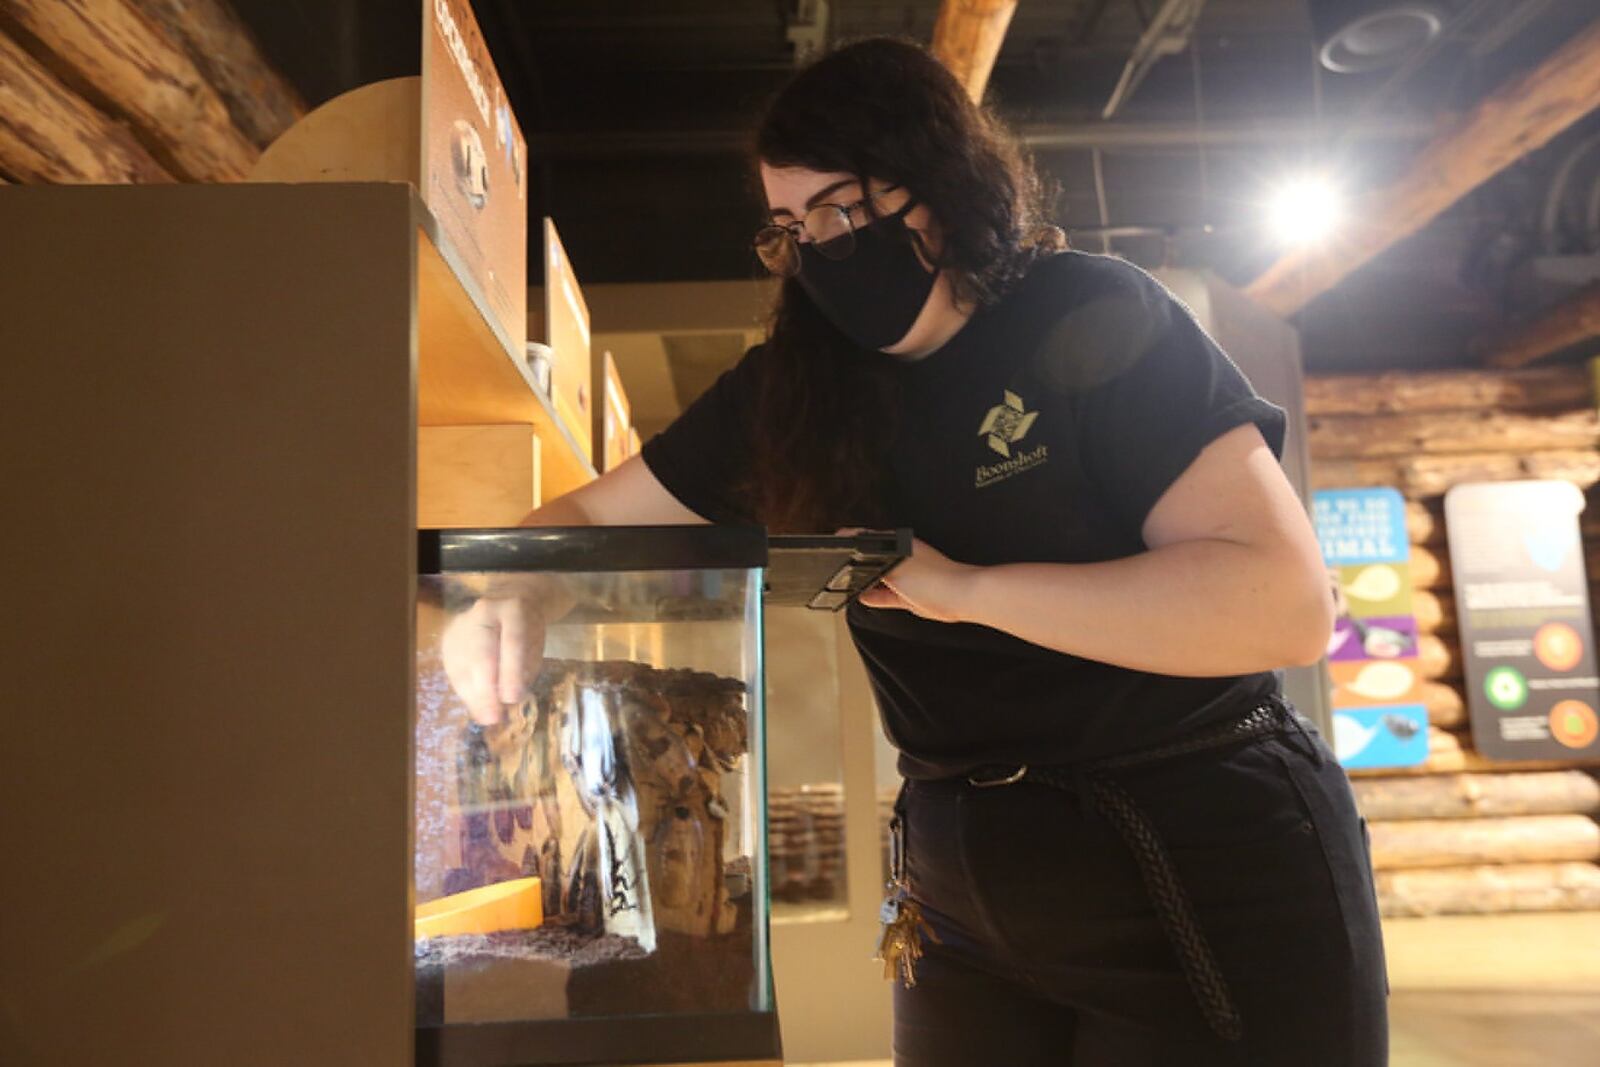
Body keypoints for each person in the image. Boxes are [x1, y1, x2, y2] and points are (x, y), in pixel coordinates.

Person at [443, 36, 1387, 1066]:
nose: (815, 249)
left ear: (934, 184)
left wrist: (971, 591)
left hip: (1199, 853)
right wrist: (512, 589)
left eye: (840, 211)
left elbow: (1282, 602)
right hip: (958, 882)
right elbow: (581, 519)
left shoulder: (1089, 314)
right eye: (787, 228)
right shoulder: (793, 390)